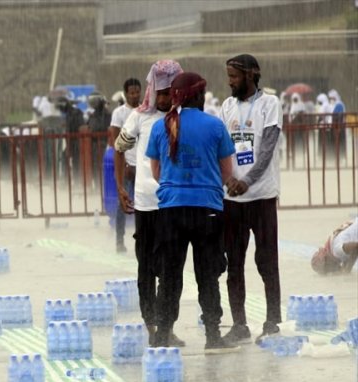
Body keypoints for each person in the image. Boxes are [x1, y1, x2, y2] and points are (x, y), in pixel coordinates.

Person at [146, 72, 239, 353]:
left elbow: (157, 172)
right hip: (207, 210)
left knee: (170, 274)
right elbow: (227, 171)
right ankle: (212, 335)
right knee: (207, 274)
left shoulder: (160, 127)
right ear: (197, 96)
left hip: (171, 210)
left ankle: (163, 334)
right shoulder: (214, 126)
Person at [115, 61, 184, 346]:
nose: (165, 98)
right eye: (161, 92)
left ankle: (167, 325)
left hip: (175, 203)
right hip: (146, 204)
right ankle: (152, 325)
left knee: (173, 269)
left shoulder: (184, 117)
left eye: (170, 92)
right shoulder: (138, 117)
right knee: (146, 267)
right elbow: (119, 149)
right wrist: (120, 187)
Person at [219, 54, 283, 344]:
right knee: (234, 263)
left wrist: (247, 180)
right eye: (229, 75)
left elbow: (267, 150)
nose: (230, 81)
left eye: (234, 75)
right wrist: (228, 179)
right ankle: (239, 323)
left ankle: (272, 320)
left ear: (251, 74)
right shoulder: (227, 106)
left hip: (262, 197)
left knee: (266, 260)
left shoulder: (270, 104)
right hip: (232, 200)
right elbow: (222, 150)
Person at [109, 77, 141, 253]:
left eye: (137, 92)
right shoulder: (119, 113)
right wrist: (125, 164)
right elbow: (116, 142)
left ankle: (141, 238)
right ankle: (119, 240)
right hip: (127, 165)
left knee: (143, 205)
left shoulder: (145, 112)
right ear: (126, 94)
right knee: (123, 203)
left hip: (142, 166)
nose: (135, 95)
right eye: (132, 92)